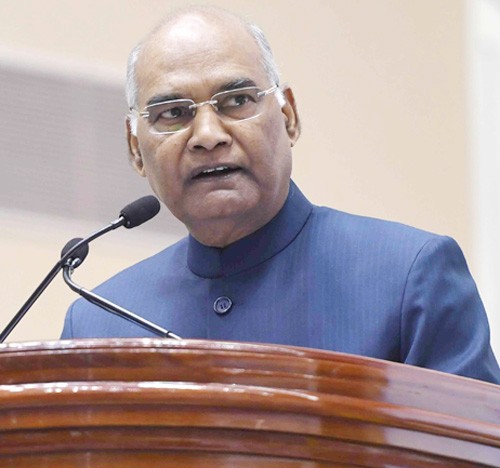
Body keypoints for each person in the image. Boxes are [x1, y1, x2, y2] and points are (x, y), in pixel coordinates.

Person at [61, 6, 500, 384]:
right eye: (173, 113)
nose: (208, 136)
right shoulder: (98, 322)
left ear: (288, 116)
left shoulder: (409, 279)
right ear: (136, 149)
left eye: (236, 101)